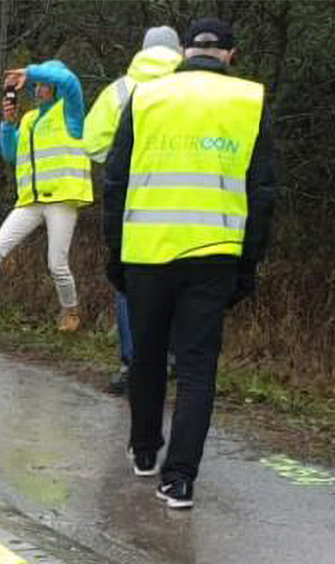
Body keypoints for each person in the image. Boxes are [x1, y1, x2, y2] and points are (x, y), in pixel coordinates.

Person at [103, 16, 275, 510]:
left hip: (147, 250)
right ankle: (179, 480)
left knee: (147, 357)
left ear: (183, 53)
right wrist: (249, 263)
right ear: (230, 55)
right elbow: (262, 192)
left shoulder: (146, 96)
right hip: (214, 253)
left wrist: (114, 253)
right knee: (198, 368)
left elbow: (115, 181)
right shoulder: (249, 100)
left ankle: (143, 450)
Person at [0, 57, 91, 333]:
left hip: (61, 199)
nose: (37, 89)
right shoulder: (30, 119)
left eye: (44, 85)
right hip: (31, 201)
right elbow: (10, 154)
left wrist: (29, 72)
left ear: (55, 87)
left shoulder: (71, 111)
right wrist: (8, 125)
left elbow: (70, 81)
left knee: (57, 264)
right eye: (37, 85)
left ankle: (71, 313)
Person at [83, 26, 180, 393]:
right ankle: (173, 358)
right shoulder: (195, 89)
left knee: (129, 285)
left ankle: (133, 364)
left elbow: (92, 143)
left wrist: (122, 162)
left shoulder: (120, 90)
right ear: (178, 51)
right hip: (189, 206)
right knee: (182, 284)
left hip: (135, 206)